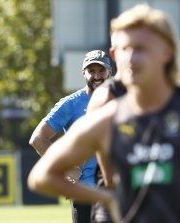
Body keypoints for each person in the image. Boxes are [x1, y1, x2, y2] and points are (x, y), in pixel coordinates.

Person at [28, 3, 180, 223]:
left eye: (141, 48)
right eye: (125, 49)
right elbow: (42, 176)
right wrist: (107, 198)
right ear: (115, 55)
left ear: (167, 51)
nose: (131, 58)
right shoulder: (108, 115)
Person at [29, 50, 112, 223]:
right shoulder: (71, 103)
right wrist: (66, 168)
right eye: (92, 71)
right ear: (83, 73)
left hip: (117, 192)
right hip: (85, 193)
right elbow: (38, 138)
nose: (97, 76)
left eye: (101, 71)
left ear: (110, 72)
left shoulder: (123, 99)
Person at [88, 75, 127, 223]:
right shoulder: (105, 96)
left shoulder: (170, 96)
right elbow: (45, 175)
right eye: (125, 49)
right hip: (112, 202)